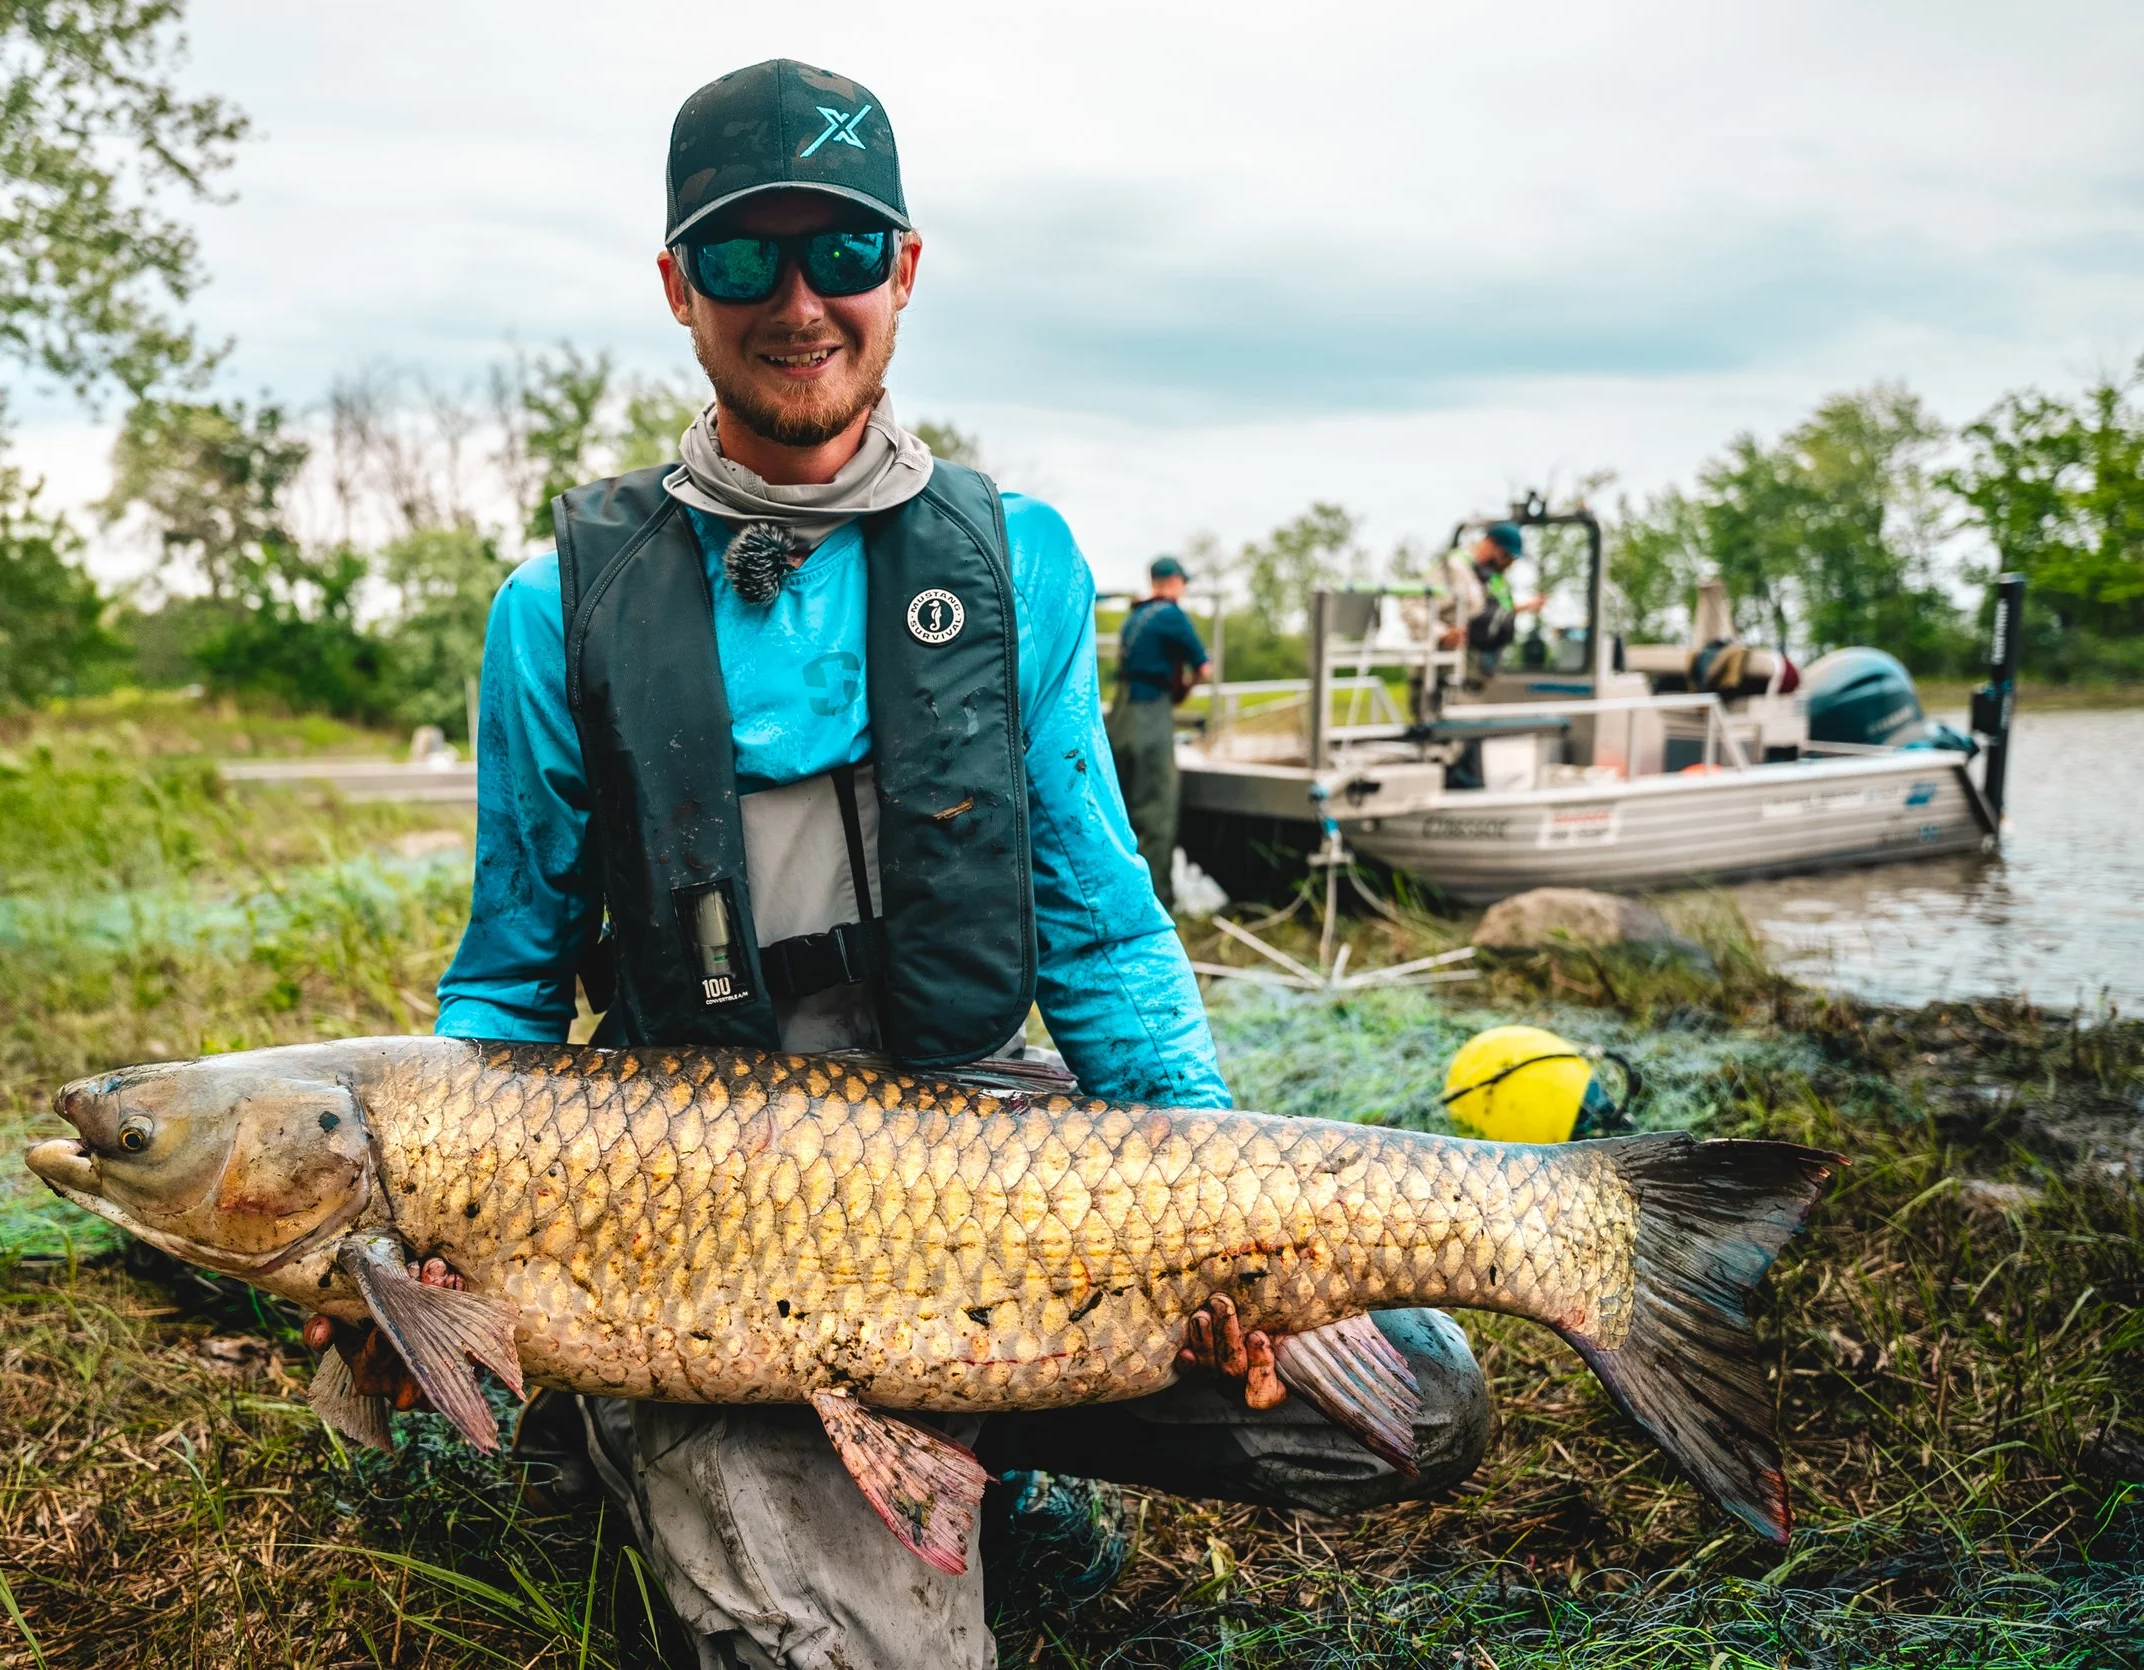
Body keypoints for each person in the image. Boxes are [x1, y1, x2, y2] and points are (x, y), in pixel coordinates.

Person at [410, 60, 1489, 1670]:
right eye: (739, 259)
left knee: (1419, 1393)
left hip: (988, 1201)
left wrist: (1208, 1211)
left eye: (840, 254)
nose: (797, 302)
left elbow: (1108, 939)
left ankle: (981, 1455)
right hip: (711, 1250)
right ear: (676, 290)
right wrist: (450, 1228)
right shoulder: (554, 607)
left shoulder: (1020, 566)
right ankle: (637, 1427)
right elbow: (506, 979)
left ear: (903, 269)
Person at [1107, 555, 1212, 909]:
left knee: (1125, 812)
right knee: (1156, 813)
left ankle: (1121, 901)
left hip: (1120, 719)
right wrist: (1184, 689)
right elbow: (1205, 668)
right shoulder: (1171, 614)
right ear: (1173, 582)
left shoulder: (1134, 615)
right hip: (1150, 720)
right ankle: (1156, 904)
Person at [1409, 520, 1543, 685]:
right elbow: (1413, 606)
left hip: (1475, 673)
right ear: (1490, 545)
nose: (1510, 564)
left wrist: (1525, 607)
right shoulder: (1455, 568)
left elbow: (1487, 614)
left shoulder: (1489, 577)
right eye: (1507, 556)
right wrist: (1442, 633)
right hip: (1442, 674)